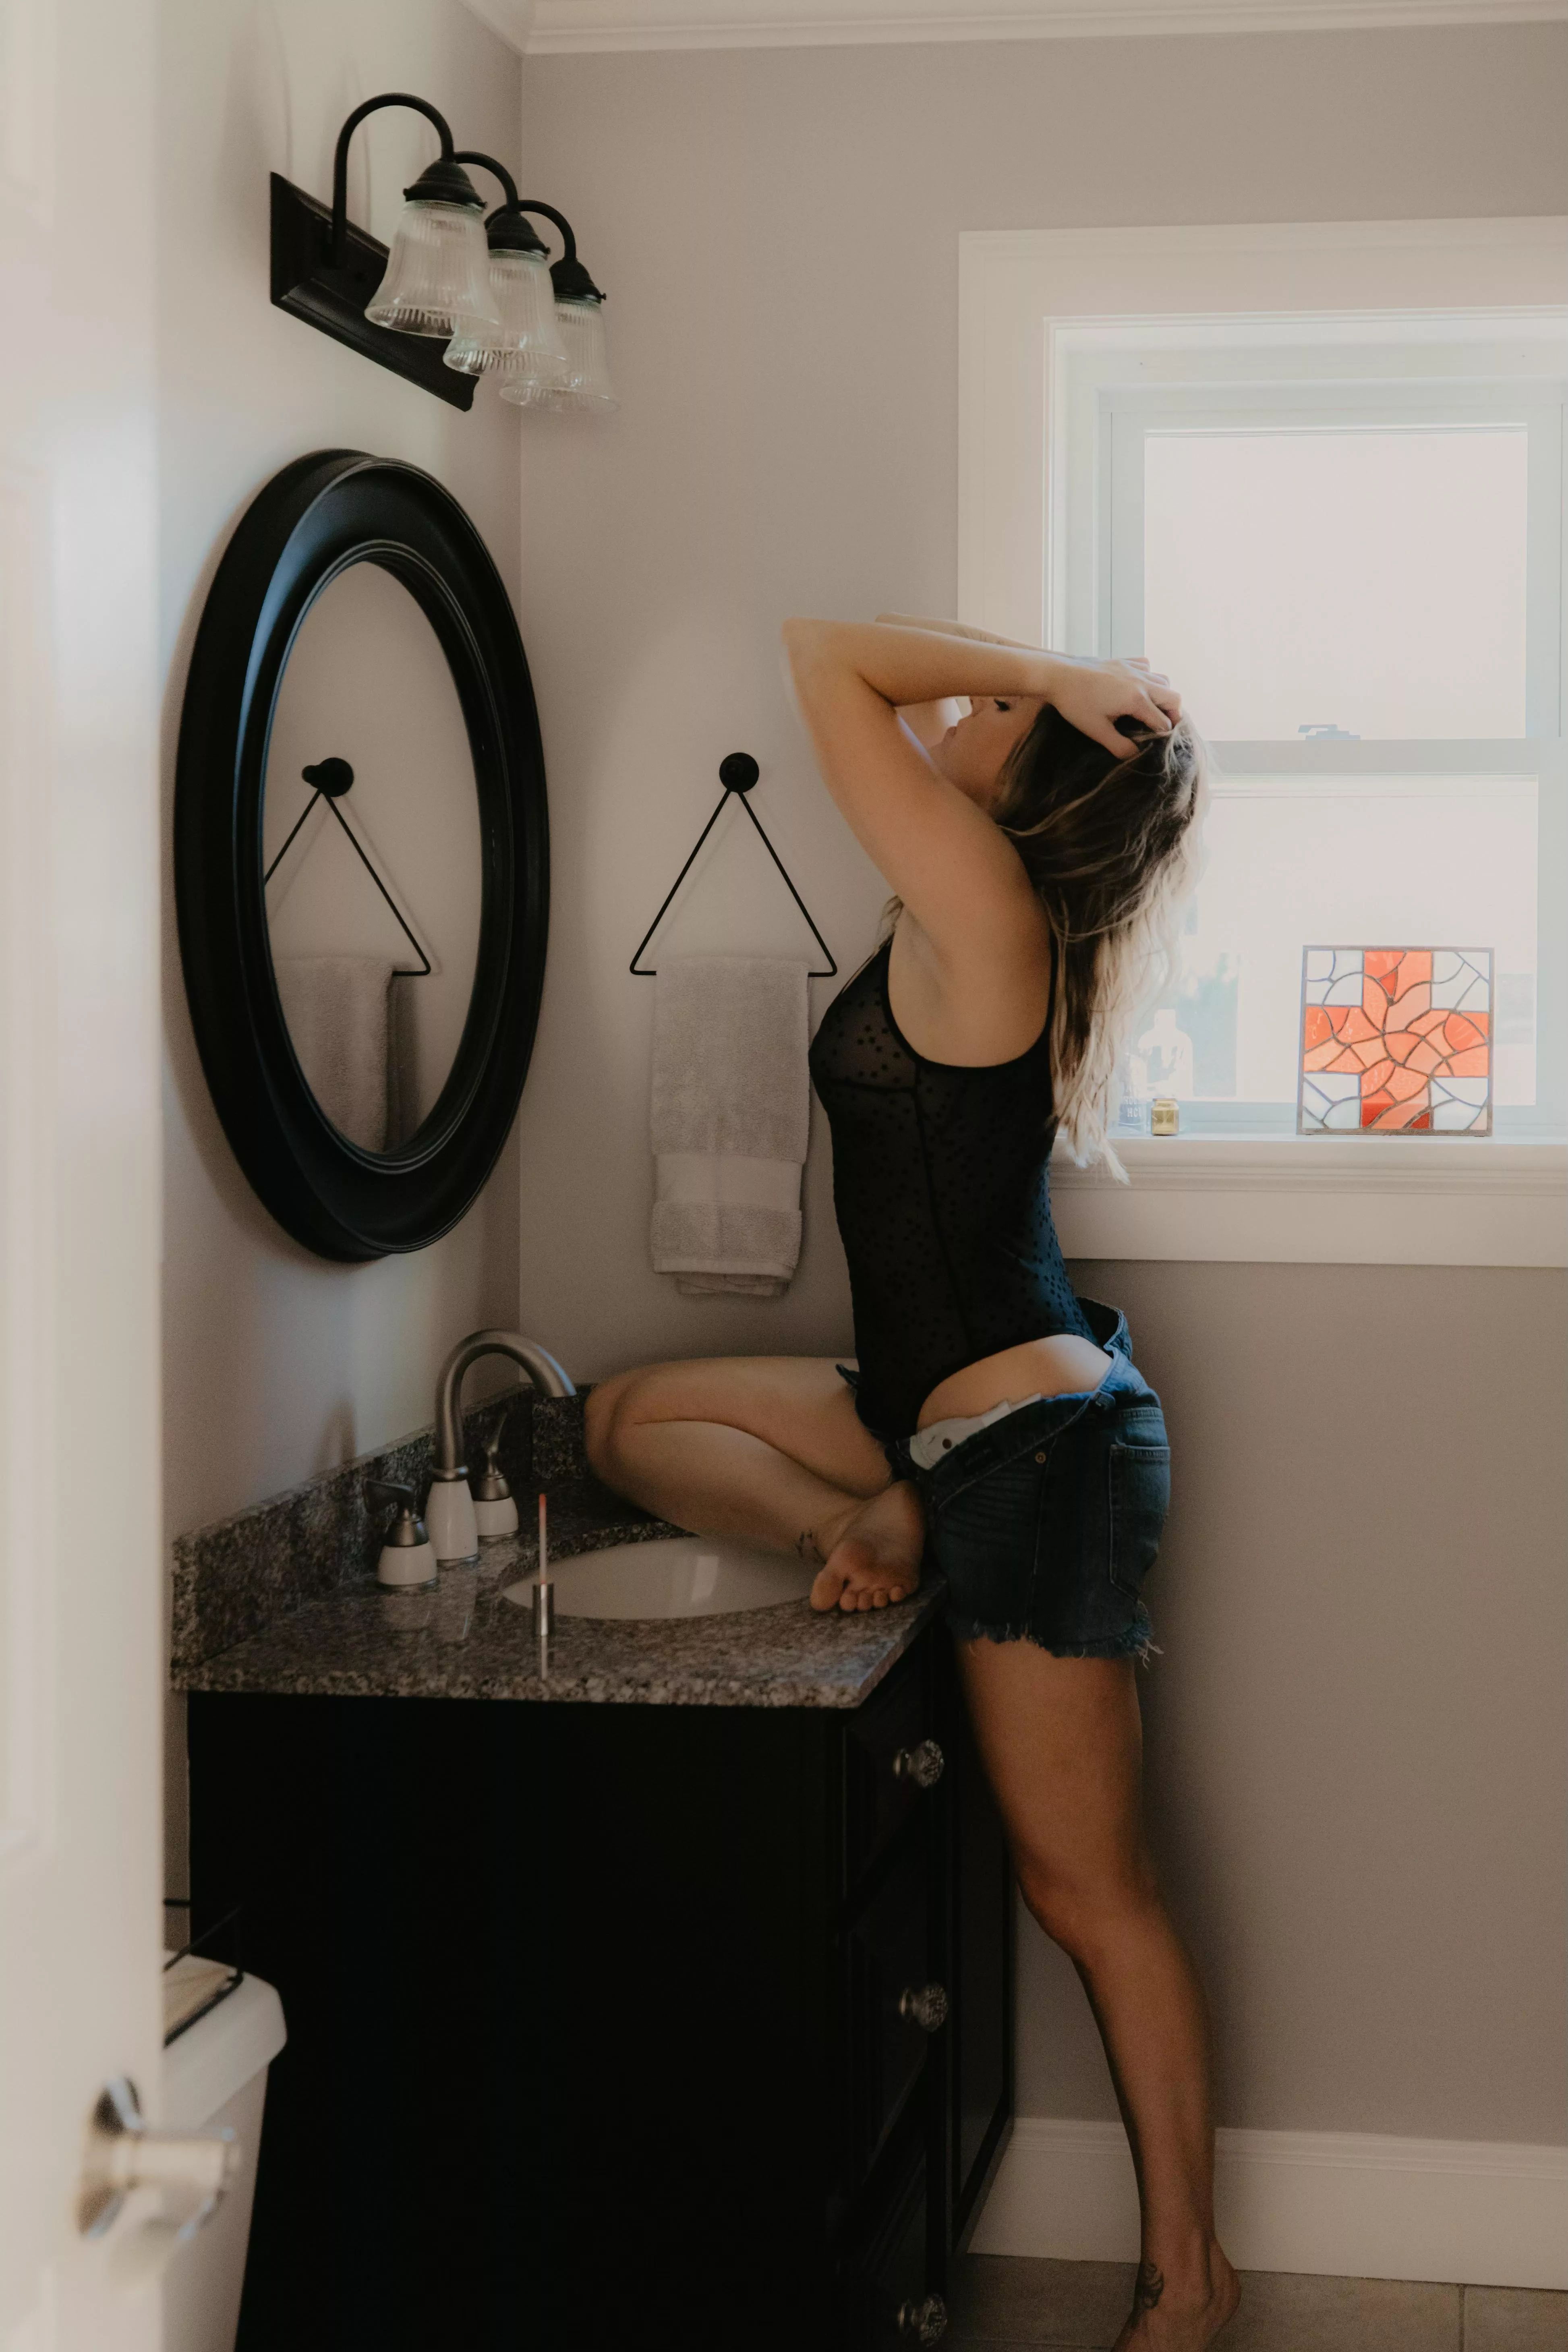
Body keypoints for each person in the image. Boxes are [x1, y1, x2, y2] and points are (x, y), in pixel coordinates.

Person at [586, 614, 1237, 2351]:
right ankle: (860, 1518)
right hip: (928, 1424)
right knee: (618, 1419)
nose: (968, 705)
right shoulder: (970, 889)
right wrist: (867, 1495)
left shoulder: (981, 891)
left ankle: (1192, 2279)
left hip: (1029, 1452)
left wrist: (1060, 674)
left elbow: (820, 651)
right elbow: (849, 666)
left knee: (1085, 1888)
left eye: (1009, 705)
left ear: (1033, 779)